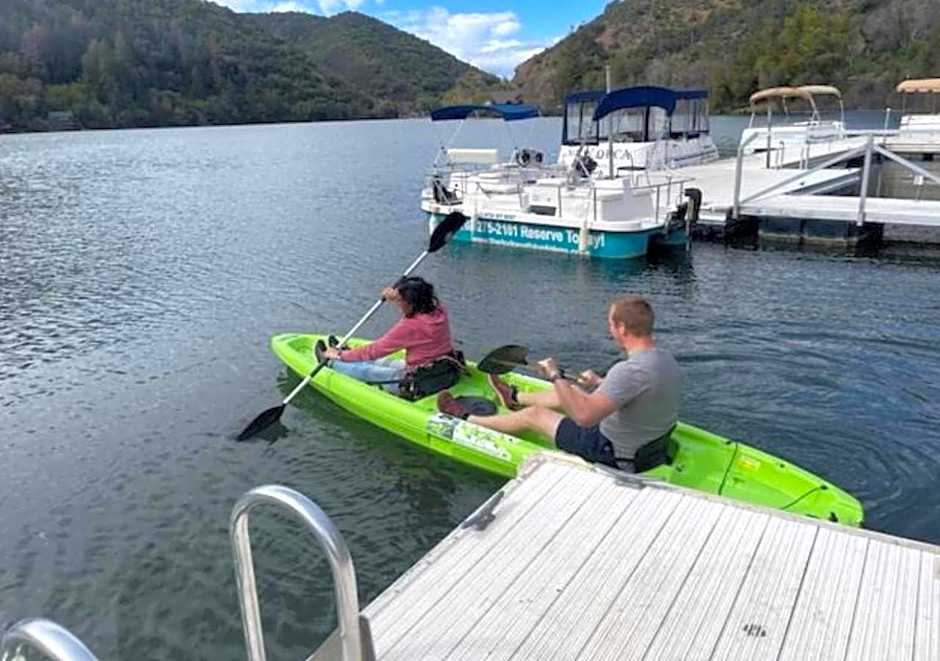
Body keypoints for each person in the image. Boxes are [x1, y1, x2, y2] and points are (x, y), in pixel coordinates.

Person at [438, 295, 680, 471]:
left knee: (535, 415)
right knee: (574, 390)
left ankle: (465, 417)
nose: (609, 329)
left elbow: (584, 417)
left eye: (610, 324)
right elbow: (635, 389)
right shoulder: (664, 358)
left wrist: (555, 375)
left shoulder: (627, 371)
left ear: (621, 328)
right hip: (647, 444)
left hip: (612, 451)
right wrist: (599, 382)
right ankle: (513, 398)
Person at [319, 276, 455, 392]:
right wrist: (394, 295)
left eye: (400, 300)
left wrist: (341, 356)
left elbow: (375, 350)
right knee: (385, 362)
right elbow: (416, 293)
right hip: (442, 370)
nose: (398, 304)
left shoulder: (411, 326)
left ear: (411, 303)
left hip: (419, 382)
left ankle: (332, 362)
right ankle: (349, 353)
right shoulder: (438, 309)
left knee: (368, 371)